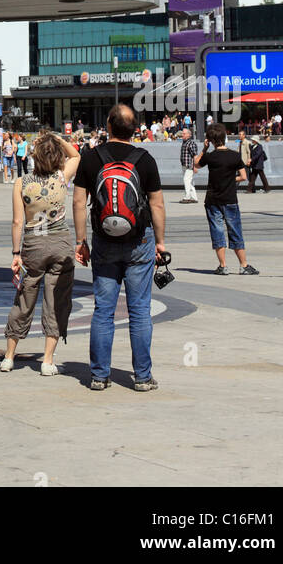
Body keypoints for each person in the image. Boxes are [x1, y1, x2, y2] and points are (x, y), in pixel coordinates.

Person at [73, 104, 166, 391]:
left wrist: (81, 241)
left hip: (104, 242)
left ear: (109, 126)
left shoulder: (91, 158)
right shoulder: (145, 160)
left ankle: (99, 376)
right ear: (134, 129)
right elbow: (157, 204)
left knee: (103, 310)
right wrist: (160, 242)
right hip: (139, 241)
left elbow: (78, 202)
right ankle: (142, 377)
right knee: (139, 311)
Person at [0, 133, 80, 376]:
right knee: (56, 301)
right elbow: (76, 154)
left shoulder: (21, 183)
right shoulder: (61, 177)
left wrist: (16, 253)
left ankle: (9, 356)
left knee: (24, 300)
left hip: (33, 245)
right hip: (60, 246)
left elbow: (16, 221)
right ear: (57, 158)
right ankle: (47, 360)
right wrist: (56, 138)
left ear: (34, 157)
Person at [194, 124, 258, 275]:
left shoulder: (210, 156)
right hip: (230, 199)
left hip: (212, 201)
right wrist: (230, 179)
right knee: (235, 231)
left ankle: (223, 266)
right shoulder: (235, 156)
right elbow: (243, 177)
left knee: (217, 232)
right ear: (224, 137)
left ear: (210, 140)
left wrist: (204, 149)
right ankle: (244, 265)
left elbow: (196, 164)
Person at [179, 127, 198, 202]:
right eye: (182, 133)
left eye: (184, 133)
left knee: (186, 180)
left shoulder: (191, 143)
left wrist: (195, 166)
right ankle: (194, 198)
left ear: (189, 135)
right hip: (184, 165)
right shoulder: (184, 142)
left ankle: (187, 197)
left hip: (190, 165)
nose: (182, 135)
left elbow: (195, 156)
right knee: (190, 181)